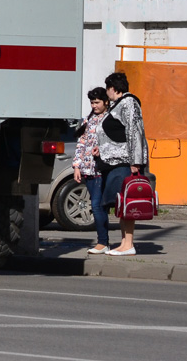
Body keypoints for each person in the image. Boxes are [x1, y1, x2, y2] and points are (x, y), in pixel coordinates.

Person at [96, 70, 148, 256]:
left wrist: (136, 162)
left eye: (107, 88)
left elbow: (135, 132)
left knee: (127, 203)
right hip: (114, 163)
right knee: (120, 204)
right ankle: (124, 243)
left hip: (125, 163)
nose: (106, 92)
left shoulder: (128, 103)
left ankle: (129, 244)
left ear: (113, 88)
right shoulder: (118, 105)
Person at [72, 87, 111, 254]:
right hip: (87, 169)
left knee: (97, 205)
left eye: (97, 102)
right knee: (96, 206)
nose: (94, 105)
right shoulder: (88, 119)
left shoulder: (110, 119)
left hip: (100, 169)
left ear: (106, 102)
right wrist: (76, 166)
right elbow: (81, 143)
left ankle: (103, 242)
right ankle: (103, 241)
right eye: (92, 102)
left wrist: (102, 150)